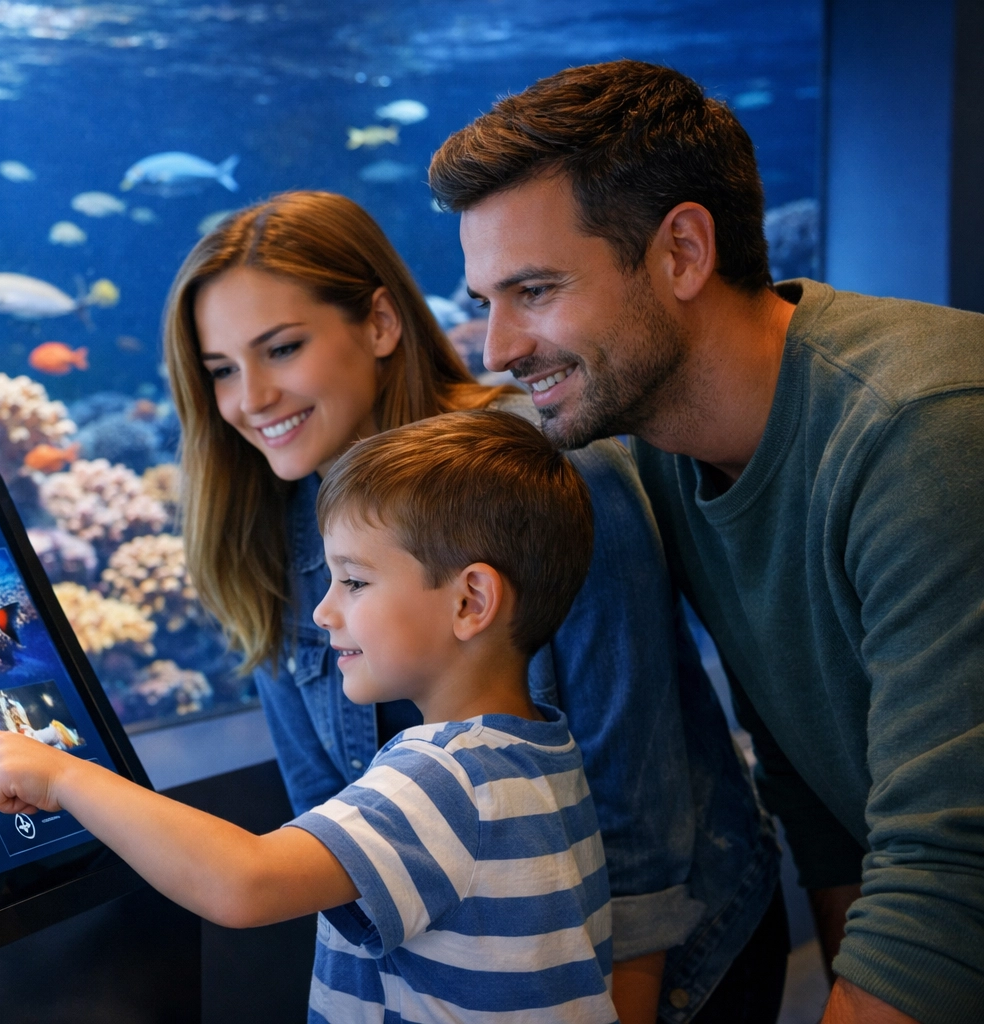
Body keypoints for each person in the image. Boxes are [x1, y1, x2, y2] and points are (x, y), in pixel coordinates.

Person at [429, 59, 984, 1024]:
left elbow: (955, 864)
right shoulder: (666, 452)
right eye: (487, 302)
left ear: (683, 251)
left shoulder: (921, 430)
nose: (500, 350)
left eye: (537, 289)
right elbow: (819, 790)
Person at [162, 190, 782, 1022]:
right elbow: (327, 819)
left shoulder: (551, 469)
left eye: (281, 349)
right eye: (221, 371)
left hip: (657, 961)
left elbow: (640, 809)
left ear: (380, 323)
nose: (252, 398)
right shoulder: (261, 536)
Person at [0, 410, 617, 1022]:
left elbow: (245, 882)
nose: (323, 611)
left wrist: (64, 778)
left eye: (354, 580)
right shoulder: (540, 750)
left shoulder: (443, 781)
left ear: (470, 601)